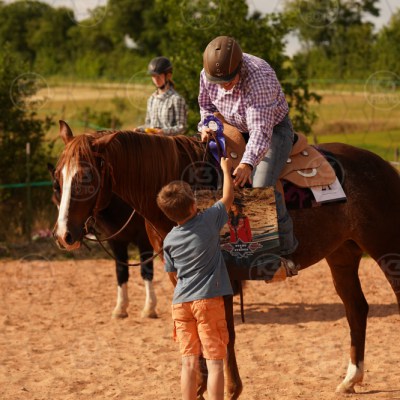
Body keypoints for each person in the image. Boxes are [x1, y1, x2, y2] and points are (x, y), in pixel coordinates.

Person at [198, 35, 299, 275]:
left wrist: (247, 163)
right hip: (232, 126)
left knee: (262, 186)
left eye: (228, 81)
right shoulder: (208, 73)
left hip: (273, 129)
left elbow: (260, 131)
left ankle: (286, 252)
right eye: (218, 82)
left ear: (239, 68)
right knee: (203, 173)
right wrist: (206, 125)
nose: (223, 86)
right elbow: (206, 106)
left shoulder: (259, 78)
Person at [156, 157, 234, 400]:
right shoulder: (208, 220)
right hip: (207, 301)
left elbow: (172, 272)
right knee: (215, 361)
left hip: (180, 303)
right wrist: (226, 170)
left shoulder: (169, 239)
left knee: (188, 363)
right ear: (193, 206)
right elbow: (228, 197)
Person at [138, 56, 187, 135]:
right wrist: (140, 129)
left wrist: (163, 132)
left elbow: (181, 127)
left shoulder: (177, 99)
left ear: (168, 76)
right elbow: (148, 124)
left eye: (159, 76)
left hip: (169, 141)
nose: (156, 79)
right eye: (153, 76)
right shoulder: (151, 99)